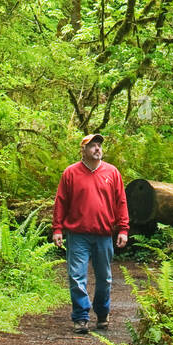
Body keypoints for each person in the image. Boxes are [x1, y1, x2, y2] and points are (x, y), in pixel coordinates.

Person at [52, 133, 129, 334]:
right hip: (77, 235)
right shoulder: (70, 173)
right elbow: (61, 202)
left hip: (104, 234)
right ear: (83, 150)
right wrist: (57, 228)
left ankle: (102, 314)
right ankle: (81, 317)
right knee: (76, 276)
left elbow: (121, 202)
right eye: (92, 146)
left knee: (105, 278)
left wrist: (123, 229)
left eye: (99, 145)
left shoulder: (112, 173)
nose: (97, 149)